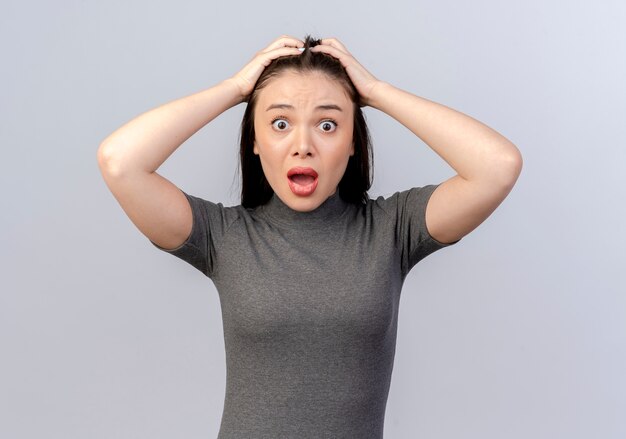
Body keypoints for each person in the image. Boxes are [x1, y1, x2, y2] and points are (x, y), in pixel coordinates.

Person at [97, 35, 522, 438]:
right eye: (280, 123)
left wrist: (374, 91)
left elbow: (498, 166)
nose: (303, 145)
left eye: (327, 125)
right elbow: (121, 161)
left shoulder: (393, 229)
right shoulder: (224, 236)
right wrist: (235, 88)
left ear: (354, 140)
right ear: (255, 141)